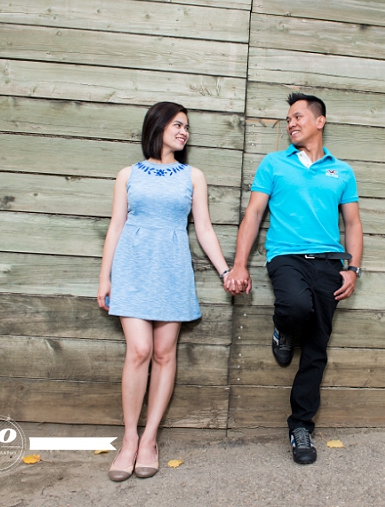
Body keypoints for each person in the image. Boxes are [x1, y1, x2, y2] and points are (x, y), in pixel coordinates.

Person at [226, 93, 363, 464]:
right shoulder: (274, 164)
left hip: (330, 263)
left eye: (298, 116)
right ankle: (283, 329)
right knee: (295, 307)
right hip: (286, 256)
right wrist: (238, 265)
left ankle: (301, 427)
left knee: (317, 348)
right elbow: (253, 215)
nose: (291, 123)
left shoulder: (342, 171)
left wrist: (353, 268)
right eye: (288, 119)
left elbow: (352, 223)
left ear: (320, 121)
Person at [97, 101, 232, 481]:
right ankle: (128, 439)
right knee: (138, 351)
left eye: (187, 127)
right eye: (177, 124)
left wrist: (224, 270)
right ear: (157, 127)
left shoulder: (193, 176)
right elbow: (115, 226)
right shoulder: (127, 175)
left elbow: (203, 229)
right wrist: (105, 277)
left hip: (172, 268)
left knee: (162, 353)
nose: (184, 132)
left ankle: (149, 440)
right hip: (133, 267)